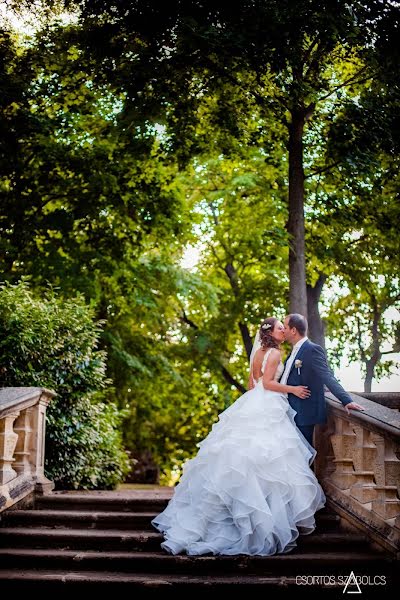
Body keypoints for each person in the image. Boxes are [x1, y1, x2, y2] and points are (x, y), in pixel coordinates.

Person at [151, 317, 326, 556]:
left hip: (253, 401)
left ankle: (233, 514)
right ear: (271, 333)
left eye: (284, 328)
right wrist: (293, 389)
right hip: (269, 403)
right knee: (268, 458)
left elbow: (252, 384)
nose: (283, 331)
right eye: (280, 328)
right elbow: (267, 383)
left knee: (244, 456)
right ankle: (262, 518)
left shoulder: (258, 353)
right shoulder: (274, 353)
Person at [281, 314, 364, 446]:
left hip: (303, 413)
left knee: (303, 456)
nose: (282, 330)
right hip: (288, 410)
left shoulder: (312, 349)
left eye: (284, 327)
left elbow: (327, 376)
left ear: (293, 330)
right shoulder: (292, 352)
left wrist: (346, 400)